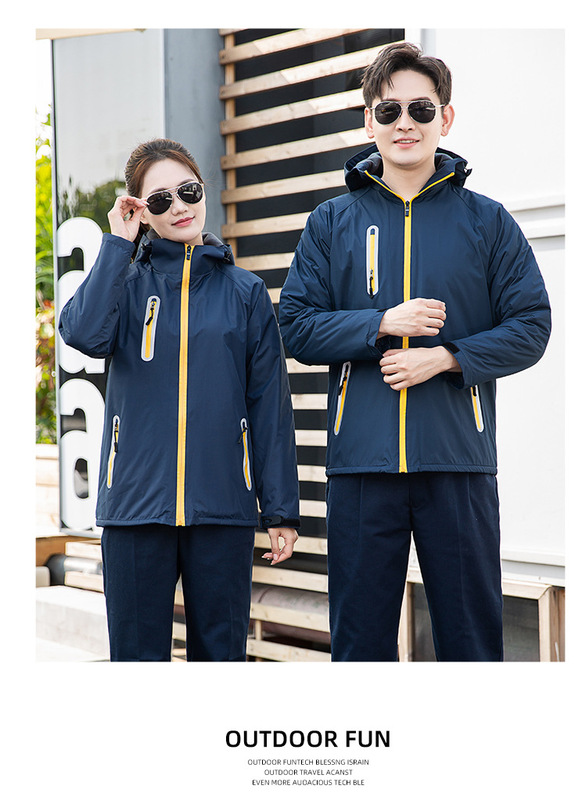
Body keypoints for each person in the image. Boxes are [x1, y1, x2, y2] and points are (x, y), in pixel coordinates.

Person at [278, 42, 551, 662]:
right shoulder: (331, 222)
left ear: (445, 118)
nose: (405, 122)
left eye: (421, 109)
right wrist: (380, 323)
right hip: (360, 467)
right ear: (368, 121)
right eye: (389, 109)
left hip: (458, 462)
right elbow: (296, 327)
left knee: (470, 645)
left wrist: (447, 358)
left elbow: (531, 325)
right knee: (360, 648)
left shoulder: (488, 222)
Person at [59, 138, 300, 662]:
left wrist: (280, 509)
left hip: (223, 509)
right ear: (141, 211)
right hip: (134, 508)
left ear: (202, 190)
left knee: (220, 662)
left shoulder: (245, 292)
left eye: (188, 191)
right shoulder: (123, 283)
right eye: (160, 199)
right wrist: (117, 245)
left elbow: (269, 407)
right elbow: (81, 334)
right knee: (137, 662)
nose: (180, 206)